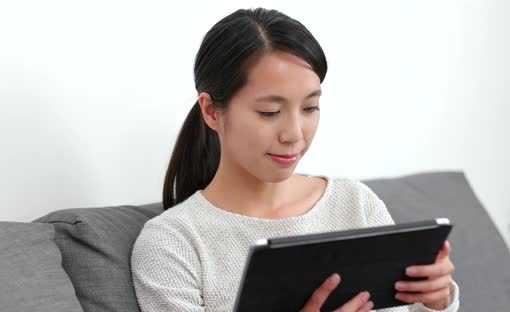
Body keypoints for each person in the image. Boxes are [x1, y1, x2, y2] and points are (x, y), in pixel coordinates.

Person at [131, 7, 459, 312]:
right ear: (211, 112)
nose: (294, 134)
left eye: (310, 108)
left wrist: (437, 300)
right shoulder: (173, 244)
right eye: (270, 112)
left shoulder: (354, 203)